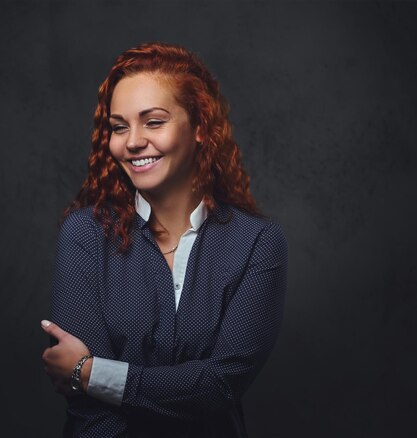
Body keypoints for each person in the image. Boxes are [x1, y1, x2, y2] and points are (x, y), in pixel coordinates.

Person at [41, 41, 288, 437]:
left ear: (201, 128)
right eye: (119, 126)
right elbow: (91, 411)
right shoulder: (84, 235)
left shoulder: (256, 243)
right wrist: (96, 383)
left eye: (153, 121)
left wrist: (91, 372)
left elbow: (217, 389)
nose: (133, 141)